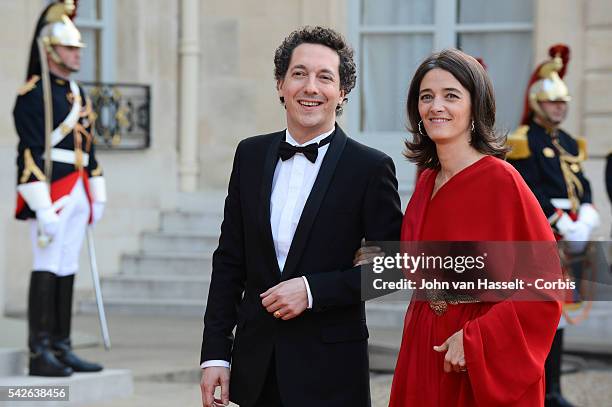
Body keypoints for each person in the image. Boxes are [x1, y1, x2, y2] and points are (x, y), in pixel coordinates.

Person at [199, 26, 402, 407]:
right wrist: (214, 354)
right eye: (299, 74)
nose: (311, 87)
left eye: (325, 77)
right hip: (254, 368)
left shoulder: (371, 167)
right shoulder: (249, 155)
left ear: (342, 92)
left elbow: (391, 269)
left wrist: (312, 291)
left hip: (332, 372)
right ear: (280, 84)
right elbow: (229, 262)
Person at [387, 49, 562, 406]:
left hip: (477, 357)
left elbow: (545, 288)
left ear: (475, 107)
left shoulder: (503, 181)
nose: (436, 106)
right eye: (426, 97)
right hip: (423, 343)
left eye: (451, 96)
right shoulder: (426, 182)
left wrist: (476, 340)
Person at [14, 1, 106, 377]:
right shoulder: (33, 94)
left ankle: (62, 346)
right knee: (47, 265)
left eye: (78, 49)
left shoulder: (78, 93)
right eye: (70, 49)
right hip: (51, 192)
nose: (77, 55)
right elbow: (30, 152)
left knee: (68, 265)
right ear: (51, 51)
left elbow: (89, 146)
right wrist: (41, 204)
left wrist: (98, 191)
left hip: (79, 189)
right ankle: (40, 352)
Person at [506, 44, 600, 407]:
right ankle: (539, 388)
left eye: (563, 102)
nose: (560, 107)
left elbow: (583, 186)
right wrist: (561, 223)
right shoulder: (524, 140)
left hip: (572, 235)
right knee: (540, 312)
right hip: (546, 236)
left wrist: (587, 216)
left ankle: (554, 389)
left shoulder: (568, 142)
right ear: (537, 103)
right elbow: (528, 192)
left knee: (560, 316)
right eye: (552, 102)